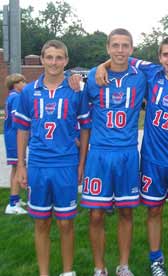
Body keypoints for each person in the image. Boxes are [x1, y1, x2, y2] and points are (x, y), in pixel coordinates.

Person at [96, 36, 168, 276]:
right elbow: (121, 56)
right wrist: (103, 66)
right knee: (153, 210)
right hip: (152, 160)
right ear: (159, 57)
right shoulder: (152, 74)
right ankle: (156, 260)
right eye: (165, 54)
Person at [14, 39, 90, 276]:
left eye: (59, 58)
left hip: (66, 164)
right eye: (49, 57)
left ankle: (68, 272)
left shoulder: (76, 91)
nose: (54, 62)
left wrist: (82, 163)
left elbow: (85, 129)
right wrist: (20, 166)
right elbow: (22, 130)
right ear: (42, 59)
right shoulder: (28, 92)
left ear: (66, 61)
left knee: (66, 223)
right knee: (41, 222)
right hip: (38, 164)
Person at [79, 28, 147, 276]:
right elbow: (80, 112)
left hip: (128, 153)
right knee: (96, 214)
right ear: (108, 48)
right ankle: (100, 267)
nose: (120, 50)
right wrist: (100, 66)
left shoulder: (141, 76)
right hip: (99, 154)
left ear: (131, 49)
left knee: (126, 211)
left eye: (125, 45)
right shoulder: (93, 78)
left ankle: (124, 265)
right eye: (115, 45)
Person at [3, 73, 28, 215]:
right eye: (22, 81)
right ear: (15, 84)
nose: (25, 83)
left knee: (16, 168)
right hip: (14, 137)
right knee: (18, 168)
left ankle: (15, 199)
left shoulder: (11, 97)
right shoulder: (17, 97)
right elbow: (18, 121)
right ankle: (13, 203)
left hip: (10, 135)